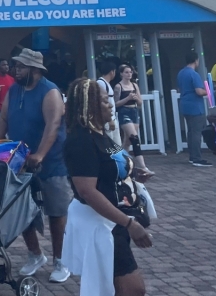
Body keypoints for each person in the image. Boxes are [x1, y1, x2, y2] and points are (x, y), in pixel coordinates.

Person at [61, 78, 152, 296]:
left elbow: (107, 167)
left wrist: (130, 172)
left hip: (114, 219)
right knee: (131, 289)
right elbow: (87, 191)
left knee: (117, 288)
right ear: (89, 105)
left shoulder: (99, 135)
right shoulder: (81, 141)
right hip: (101, 223)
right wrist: (129, 223)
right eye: (104, 101)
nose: (110, 104)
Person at [0, 49, 71, 283]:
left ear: (35, 70)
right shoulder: (14, 89)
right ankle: (35, 254)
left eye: (22, 67)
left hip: (51, 162)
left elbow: (53, 125)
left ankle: (61, 259)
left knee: (56, 213)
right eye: (16, 65)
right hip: (19, 161)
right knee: (21, 210)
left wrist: (40, 154)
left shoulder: (50, 91)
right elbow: (3, 119)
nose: (16, 70)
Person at [113, 65, 154, 180]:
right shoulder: (118, 86)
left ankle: (120, 163)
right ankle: (143, 166)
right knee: (134, 138)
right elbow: (115, 104)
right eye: (126, 72)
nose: (129, 74)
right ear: (121, 74)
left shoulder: (135, 85)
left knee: (127, 142)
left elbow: (140, 103)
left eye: (130, 72)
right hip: (124, 112)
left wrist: (136, 98)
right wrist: (127, 98)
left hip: (134, 111)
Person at [177, 51, 211, 167]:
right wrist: (209, 92)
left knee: (191, 132)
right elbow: (199, 91)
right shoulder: (194, 74)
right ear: (196, 60)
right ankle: (197, 157)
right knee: (196, 132)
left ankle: (192, 156)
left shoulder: (181, 73)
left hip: (185, 104)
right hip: (195, 106)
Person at [96, 60, 121, 145]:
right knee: (111, 146)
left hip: (112, 118)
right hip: (108, 120)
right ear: (112, 71)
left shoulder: (106, 83)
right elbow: (102, 102)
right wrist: (110, 120)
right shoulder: (101, 83)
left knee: (117, 146)